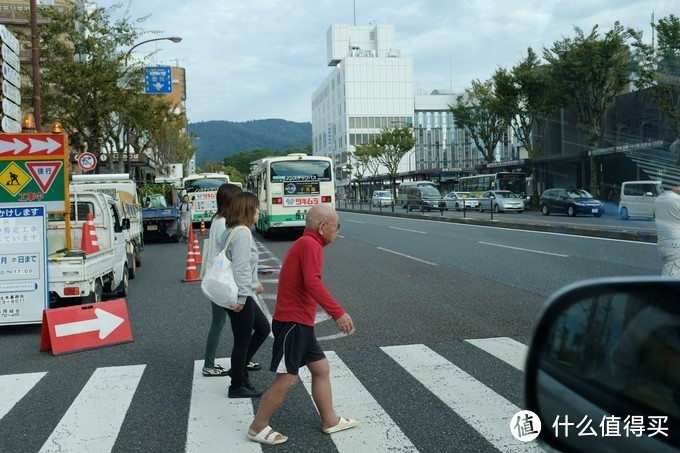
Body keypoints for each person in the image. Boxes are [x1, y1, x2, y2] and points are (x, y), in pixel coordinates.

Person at [247, 204, 357, 446]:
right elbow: (312, 282)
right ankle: (257, 427)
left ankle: (330, 420)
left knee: (321, 369)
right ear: (322, 226)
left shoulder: (307, 244)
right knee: (286, 378)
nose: (337, 231)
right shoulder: (310, 245)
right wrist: (338, 313)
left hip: (300, 323)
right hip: (293, 323)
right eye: (336, 226)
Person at [222, 191, 271, 398]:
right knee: (242, 341)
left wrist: (253, 283)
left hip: (236, 292)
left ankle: (239, 370)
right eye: (256, 207)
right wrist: (244, 296)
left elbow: (238, 265)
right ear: (247, 210)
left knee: (262, 328)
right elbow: (240, 268)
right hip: (239, 296)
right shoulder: (242, 233)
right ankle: (236, 385)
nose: (259, 211)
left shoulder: (231, 229)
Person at [201, 183, 243, 377]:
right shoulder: (223, 222)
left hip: (219, 278)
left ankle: (242, 358)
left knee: (237, 323)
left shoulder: (219, 219)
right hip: (222, 281)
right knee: (221, 323)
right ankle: (209, 365)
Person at [654, 186, 680, 276]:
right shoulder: (677, 200)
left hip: (663, 244)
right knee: (671, 283)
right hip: (676, 247)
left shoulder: (658, 199)